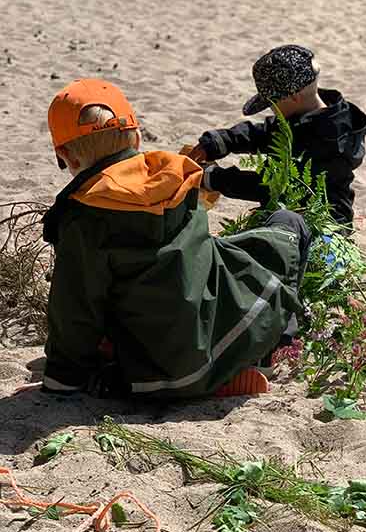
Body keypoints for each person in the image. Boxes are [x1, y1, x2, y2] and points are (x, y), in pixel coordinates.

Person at [42, 78, 309, 400]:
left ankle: (181, 377)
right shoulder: (177, 179)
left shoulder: (83, 216)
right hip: (224, 332)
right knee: (286, 225)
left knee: (109, 315)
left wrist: (62, 380)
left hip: (151, 373)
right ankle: (268, 347)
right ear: (137, 137)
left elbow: (75, 309)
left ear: (67, 157)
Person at [187, 45, 366, 229]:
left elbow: (270, 187)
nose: (272, 109)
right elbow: (262, 134)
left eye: (272, 104)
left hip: (322, 225)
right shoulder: (306, 115)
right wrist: (219, 142)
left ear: (294, 97)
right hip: (288, 211)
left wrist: (212, 178)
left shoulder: (329, 140)